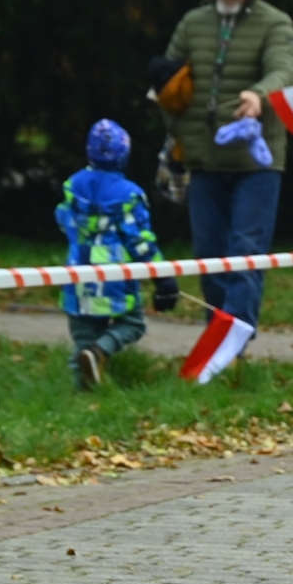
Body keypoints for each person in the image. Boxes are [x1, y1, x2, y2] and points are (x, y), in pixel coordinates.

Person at [163, 0, 293, 332]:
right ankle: (216, 335)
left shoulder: (276, 23)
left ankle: (232, 341)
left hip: (257, 163)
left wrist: (258, 95)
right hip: (203, 159)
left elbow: (283, 70)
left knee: (245, 252)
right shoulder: (192, 23)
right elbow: (169, 72)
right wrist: (162, 84)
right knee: (209, 256)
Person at [55, 120, 178, 390]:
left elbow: (63, 219)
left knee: (83, 337)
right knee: (133, 324)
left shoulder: (72, 186)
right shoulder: (129, 195)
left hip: (78, 276)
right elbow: (140, 241)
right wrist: (162, 276)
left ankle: (82, 393)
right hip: (115, 279)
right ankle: (100, 350)